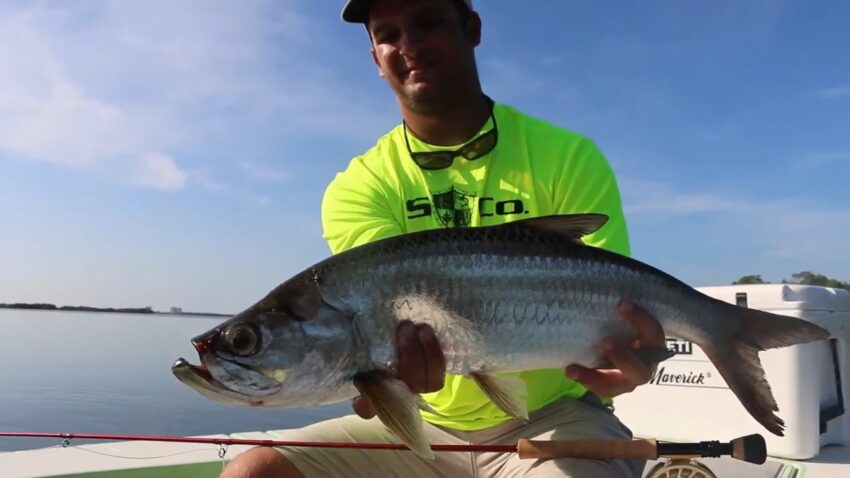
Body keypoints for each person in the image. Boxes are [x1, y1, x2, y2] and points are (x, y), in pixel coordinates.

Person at [221, 1, 666, 477]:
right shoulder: (359, 188)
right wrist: (382, 385)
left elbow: (617, 307)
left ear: (472, 28)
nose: (408, 45)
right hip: (424, 422)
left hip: (557, 419)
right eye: (389, 33)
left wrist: (632, 356)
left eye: (428, 21)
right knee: (254, 472)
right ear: (375, 57)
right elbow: (379, 315)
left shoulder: (567, 157)